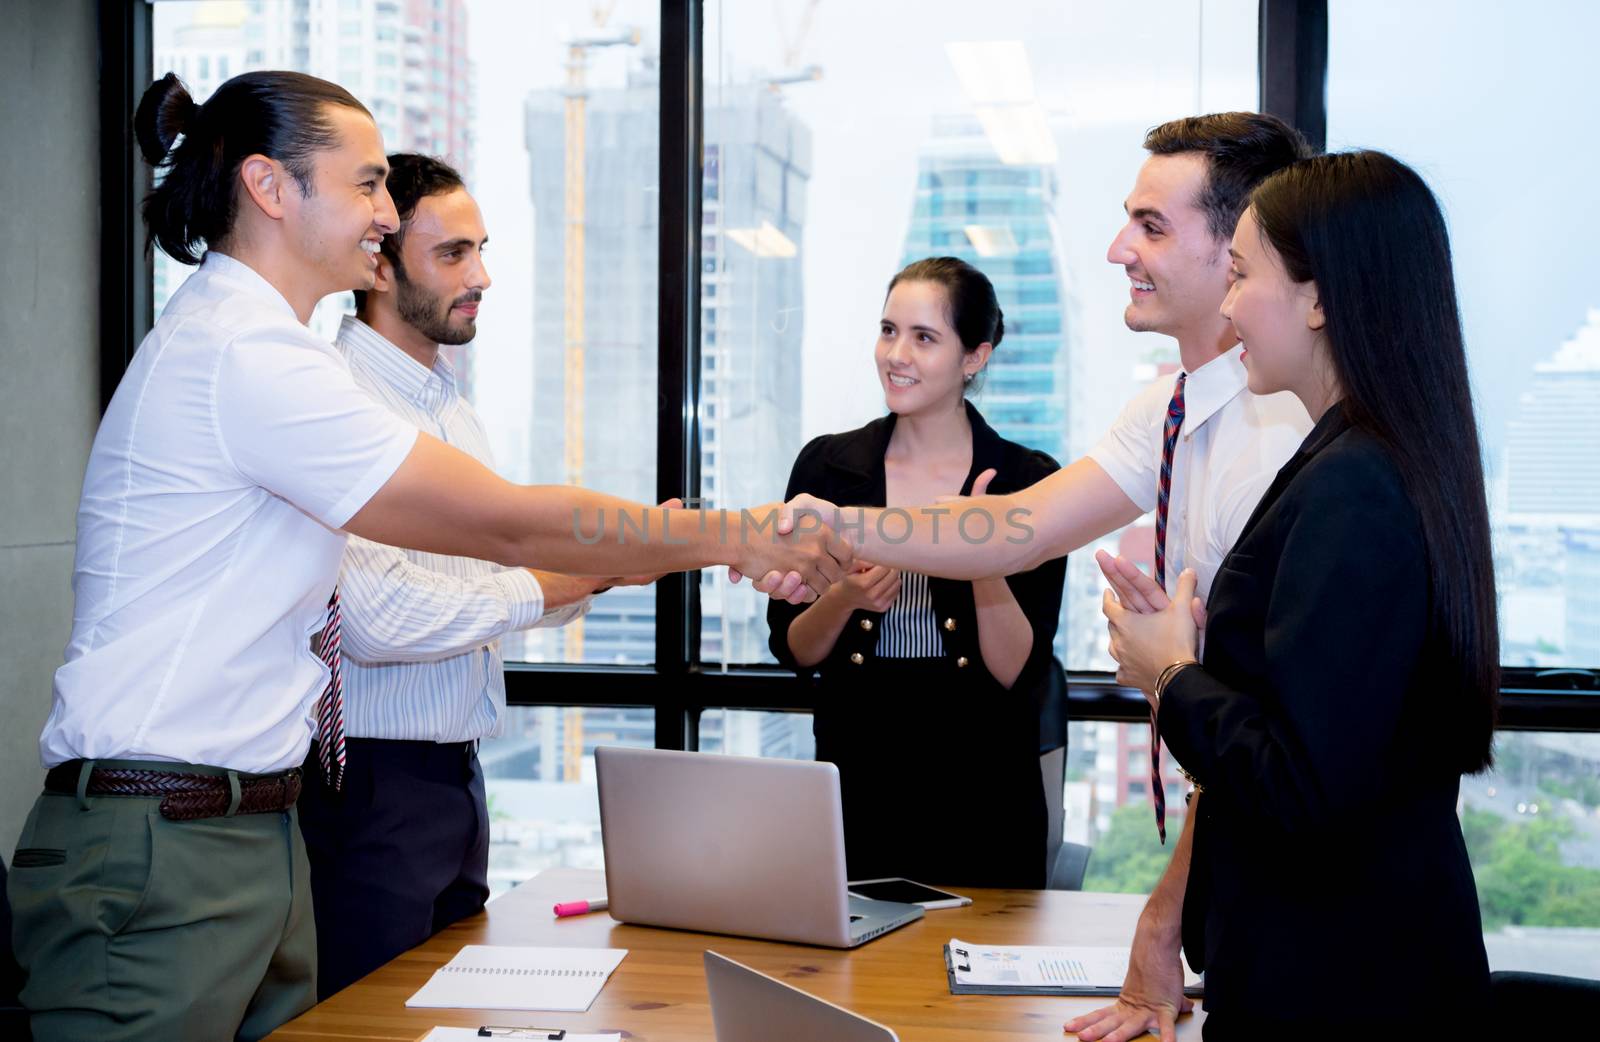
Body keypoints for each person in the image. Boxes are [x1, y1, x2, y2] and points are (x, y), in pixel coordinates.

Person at [6, 71, 847, 1042]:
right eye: (366, 185)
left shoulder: (275, 353)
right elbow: (502, 525)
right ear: (271, 188)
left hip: (248, 829)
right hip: (169, 838)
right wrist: (733, 536)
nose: (384, 210)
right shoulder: (246, 355)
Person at [1089, 150, 1497, 1039]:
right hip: (1349, 956)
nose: (1228, 307)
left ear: (1318, 298)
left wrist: (1172, 675)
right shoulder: (1365, 457)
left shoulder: (1354, 483)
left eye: (1240, 276)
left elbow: (1301, 782)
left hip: (1340, 978)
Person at [295, 153, 659, 998]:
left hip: (452, 776)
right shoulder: (338, 398)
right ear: (379, 262)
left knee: (451, 1014)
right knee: (369, 1018)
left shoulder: (449, 407)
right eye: (453, 254)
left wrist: (595, 571)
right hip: (369, 785)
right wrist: (556, 580)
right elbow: (376, 618)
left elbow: (489, 584)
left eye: (481, 250)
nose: (483, 276)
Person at [768, 257, 1067, 888]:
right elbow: (794, 648)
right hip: (858, 779)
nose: (896, 354)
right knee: (852, 981)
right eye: (888, 330)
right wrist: (847, 595)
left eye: (924, 338)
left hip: (985, 791)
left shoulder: (1027, 482)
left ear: (974, 357)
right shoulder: (826, 468)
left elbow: (1021, 668)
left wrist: (981, 553)